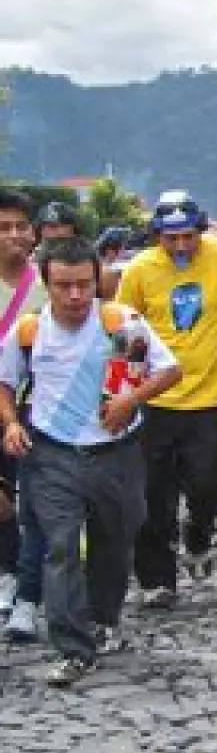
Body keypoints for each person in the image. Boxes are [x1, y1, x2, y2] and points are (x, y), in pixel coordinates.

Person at [0, 237, 180, 686]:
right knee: (59, 548)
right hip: (52, 454)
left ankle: (102, 618)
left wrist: (132, 399)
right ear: (47, 283)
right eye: (64, 286)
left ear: (96, 280)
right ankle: (72, 647)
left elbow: (169, 369)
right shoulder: (28, 331)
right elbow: (5, 383)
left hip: (115, 454)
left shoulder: (121, 323)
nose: (76, 295)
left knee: (114, 543)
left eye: (84, 284)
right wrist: (10, 424)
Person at [117, 190, 217, 607]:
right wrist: (130, 381)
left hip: (211, 395)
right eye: (171, 238)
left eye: (188, 237)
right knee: (152, 494)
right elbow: (125, 327)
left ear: (201, 229)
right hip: (156, 398)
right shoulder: (140, 269)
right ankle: (157, 579)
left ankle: (200, 530)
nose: (181, 246)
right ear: (157, 235)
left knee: (209, 485)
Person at [0, 188, 46, 617]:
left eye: (20, 227)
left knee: (33, 496)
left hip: (33, 406)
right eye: (3, 228)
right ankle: (9, 568)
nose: (14, 235)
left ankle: (27, 585)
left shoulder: (50, 283)